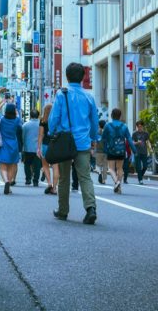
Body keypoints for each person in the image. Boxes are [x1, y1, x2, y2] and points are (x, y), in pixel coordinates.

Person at [49, 63, 99, 224]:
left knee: (64, 178)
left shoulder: (61, 94)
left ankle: (63, 211)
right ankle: (90, 208)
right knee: (85, 177)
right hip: (83, 142)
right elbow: (94, 121)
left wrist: (52, 132)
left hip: (65, 142)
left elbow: (54, 118)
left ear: (67, 76)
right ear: (83, 77)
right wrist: (93, 138)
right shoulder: (89, 97)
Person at [102, 108, 134, 194]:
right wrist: (134, 150)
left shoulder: (107, 126)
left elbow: (103, 139)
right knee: (120, 168)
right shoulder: (124, 126)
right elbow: (129, 139)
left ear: (112, 115)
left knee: (111, 168)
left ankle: (117, 182)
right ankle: (119, 188)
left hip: (111, 150)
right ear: (120, 116)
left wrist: (105, 149)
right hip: (121, 150)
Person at [0, 104, 22, 194]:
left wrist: (2, 103)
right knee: (11, 166)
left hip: (3, 144)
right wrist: (15, 108)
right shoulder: (17, 120)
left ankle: (6, 181)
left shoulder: (1, 119)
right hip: (13, 144)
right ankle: (9, 185)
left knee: (3, 166)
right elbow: (18, 114)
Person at [37, 103, 58, 195]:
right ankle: (54, 188)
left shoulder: (43, 120)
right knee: (55, 167)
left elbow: (41, 135)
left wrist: (38, 147)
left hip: (45, 145)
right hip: (56, 145)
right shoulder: (57, 120)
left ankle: (49, 183)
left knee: (45, 165)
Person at [22, 109, 41, 187]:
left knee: (27, 164)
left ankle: (28, 179)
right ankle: (36, 181)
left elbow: (23, 137)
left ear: (30, 115)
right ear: (38, 115)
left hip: (28, 147)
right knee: (37, 166)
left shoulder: (25, 125)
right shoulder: (41, 124)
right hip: (38, 148)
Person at [95, 119, 107, 184]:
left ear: (99, 125)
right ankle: (104, 180)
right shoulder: (107, 132)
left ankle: (99, 173)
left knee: (98, 165)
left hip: (98, 151)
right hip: (106, 151)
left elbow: (95, 141)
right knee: (105, 165)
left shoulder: (97, 132)